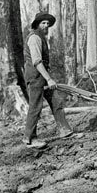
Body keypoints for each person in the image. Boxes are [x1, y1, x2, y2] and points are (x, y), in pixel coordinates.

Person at [23, 12, 73, 148]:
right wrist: (49, 79)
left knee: (56, 101)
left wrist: (47, 79)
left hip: (42, 77)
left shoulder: (41, 37)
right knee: (35, 107)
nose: (45, 26)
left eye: (47, 23)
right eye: (43, 23)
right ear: (37, 24)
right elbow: (37, 62)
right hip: (35, 77)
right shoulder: (34, 38)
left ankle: (65, 130)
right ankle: (30, 139)